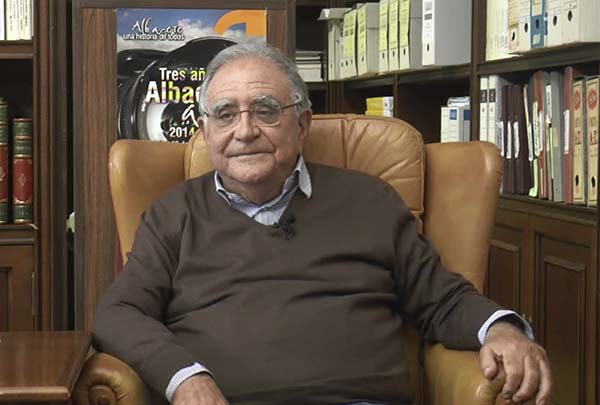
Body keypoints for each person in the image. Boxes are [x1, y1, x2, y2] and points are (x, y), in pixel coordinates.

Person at [94, 42, 552, 405]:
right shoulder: (173, 213)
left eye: (266, 110)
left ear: (302, 124)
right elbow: (119, 312)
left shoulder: (370, 200)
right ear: (206, 129)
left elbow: (442, 299)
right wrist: (185, 378)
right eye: (226, 114)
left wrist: (501, 330)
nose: (245, 131)